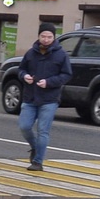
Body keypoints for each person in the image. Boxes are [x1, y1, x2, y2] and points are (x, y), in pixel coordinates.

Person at [16, 25, 72, 171]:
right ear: (39, 37)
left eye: (49, 37)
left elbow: (66, 75)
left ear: (54, 38)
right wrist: (24, 76)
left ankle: (38, 162)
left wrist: (49, 82)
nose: (46, 39)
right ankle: (35, 147)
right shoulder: (31, 53)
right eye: (43, 36)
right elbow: (21, 69)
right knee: (24, 126)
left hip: (49, 99)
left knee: (43, 130)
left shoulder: (61, 55)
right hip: (30, 97)